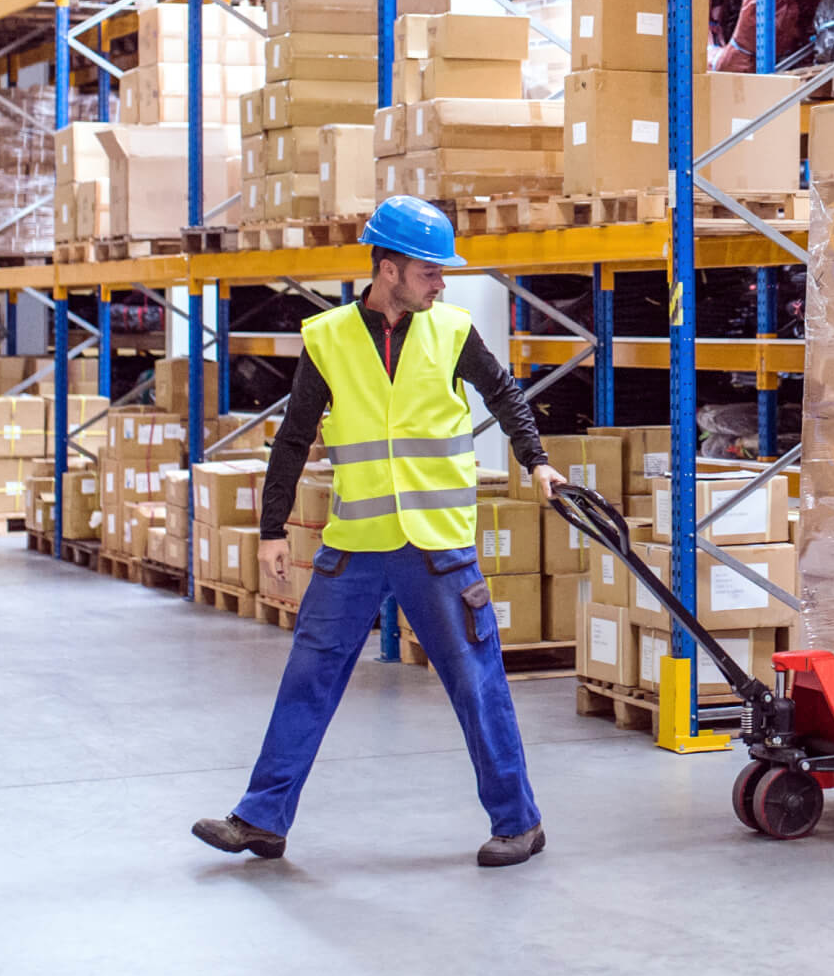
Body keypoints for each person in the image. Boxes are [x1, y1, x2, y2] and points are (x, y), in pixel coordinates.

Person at [192, 196, 568, 867]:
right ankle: (261, 818)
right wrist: (271, 529)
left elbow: (506, 395)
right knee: (307, 677)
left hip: (437, 546)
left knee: (476, 683)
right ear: (389, 269)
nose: (442, 284)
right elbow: (294, 437)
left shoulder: (452, 332)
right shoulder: (329, 338)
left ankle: (519, 821)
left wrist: (537, 462)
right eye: (430, 272)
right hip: (356, 547)